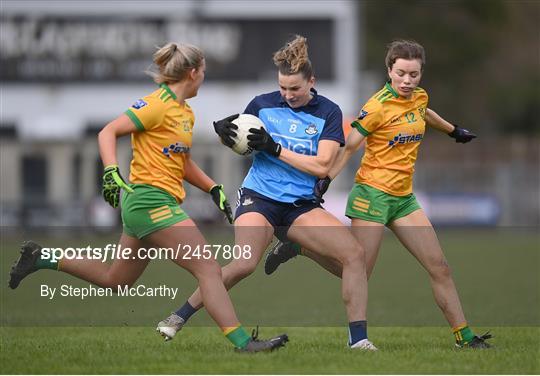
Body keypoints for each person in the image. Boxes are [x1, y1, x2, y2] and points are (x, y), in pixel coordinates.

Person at [8, 42, 288, 353]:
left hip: (151, 206)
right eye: (204, 72)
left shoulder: (184, 112)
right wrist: (111, 171)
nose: (204, 77)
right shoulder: (157, 104)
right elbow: (108, 132)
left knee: (115, 280)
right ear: (193, 73)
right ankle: (243, 343)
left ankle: (42, 259)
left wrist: (212, 188)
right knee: (209, 269)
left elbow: (181, 161)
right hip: (149, 202)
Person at [264, 39, 491, 349]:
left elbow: (425, 112)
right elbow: (350, 144)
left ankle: (465, 338)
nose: (408, 81)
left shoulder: (418, 97)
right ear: (390, 71)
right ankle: (300, 249)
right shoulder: (377, 106)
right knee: (355, 270)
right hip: (372, 196)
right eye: (401, 74)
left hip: (404, 200)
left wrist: (453, 131)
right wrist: (326, 178)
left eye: (414, 74)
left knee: (439, 267)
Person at [156, 35, 377, 350]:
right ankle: (178, 316)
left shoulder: (328, 112)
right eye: (283, 88)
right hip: (258, 198)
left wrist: (275, 148)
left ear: (311, 82)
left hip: (301, 206)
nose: (287, 95)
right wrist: (225, 136)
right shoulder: (261, 104)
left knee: (355, 258)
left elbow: (322, 164)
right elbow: (243, 144)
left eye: (295, 89)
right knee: (244, 263)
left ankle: (359, 341)